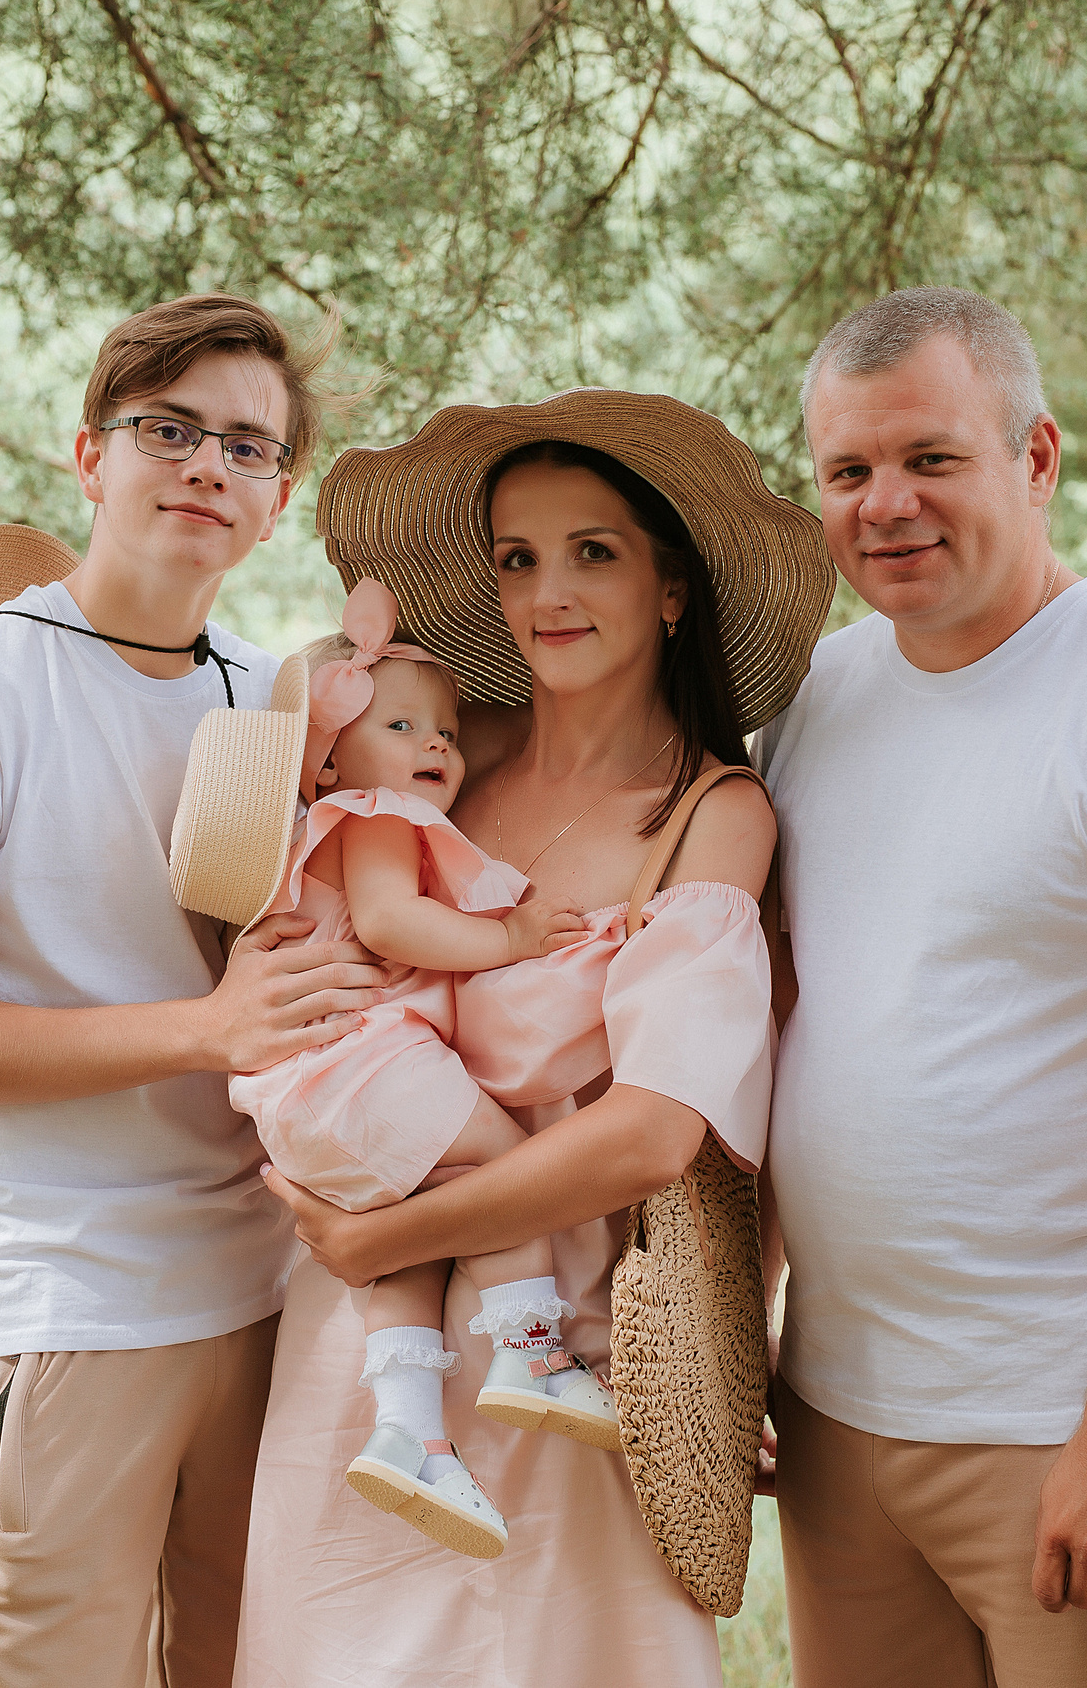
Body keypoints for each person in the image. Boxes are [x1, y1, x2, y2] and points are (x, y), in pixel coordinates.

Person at [757, 286, 1087, 1687]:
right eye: (850, 470)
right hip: (836, 1414)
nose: (887, 503)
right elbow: (777, 1035)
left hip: (1058, 1423)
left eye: (932, 458)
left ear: (1038, 458)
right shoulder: (814, 697)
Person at [0, 293, 388, 1688]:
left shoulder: (276, 699)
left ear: (276, 503)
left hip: (270, 1304)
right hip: (62, 1299)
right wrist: (205, 1029)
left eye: (249, 447)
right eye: (169, 428)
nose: (208, 464)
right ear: (92, 457)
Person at [247, 392, 833, 1688]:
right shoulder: (433, 765)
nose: (548, 591)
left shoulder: (709, 814)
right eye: (518, 558)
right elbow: (288, 912)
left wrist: (386, 1233)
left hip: (564, 1342)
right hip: (365, 1343)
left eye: (593, 551)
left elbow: (657, 1129)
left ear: (672, 588)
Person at [225, 574, 616, 1562]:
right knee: (506, 1182)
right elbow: (397, 923)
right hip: (363, 1069)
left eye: (445, 729)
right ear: (325, 760)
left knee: (412, 1242)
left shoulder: (336, 829)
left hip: (310, 1098)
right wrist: (516, 938)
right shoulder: (372, 816)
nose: (435, 745)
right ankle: (531, 1357)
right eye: (399, 724)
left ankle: (411, 1435)